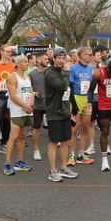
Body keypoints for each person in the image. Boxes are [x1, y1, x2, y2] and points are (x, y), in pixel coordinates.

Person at [44, 49, 78, 182]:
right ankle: (52, 171)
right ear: (54, 59)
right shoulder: (50, 73)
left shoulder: (62, 73)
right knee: (53, 142)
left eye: (64, 58)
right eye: (59, 58)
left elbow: (68, 92)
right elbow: (63, 86)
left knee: (65, 141)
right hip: (54, 112)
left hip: (64, 112)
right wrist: (67, 72)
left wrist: (71, 109)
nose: (62, 61)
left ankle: (63, 168)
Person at [3, 55, 35, 175]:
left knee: (22, 136)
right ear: (19, 64)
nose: (28, 64)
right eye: (25, 62)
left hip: (26, 110)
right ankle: (7, 163)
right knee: (13, 136)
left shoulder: (27, 76)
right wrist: (25, 106)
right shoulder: (12, 77)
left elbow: (31, 92)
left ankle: (20, 161)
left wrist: (30, 105)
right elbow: (13, 96)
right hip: (17, 111)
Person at [69, 46, 95, 166]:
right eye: (88, 54)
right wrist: (73, 103)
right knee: (74, 129)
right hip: (76, 98)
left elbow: (91, 87)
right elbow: (70, 86)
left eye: (91, 54)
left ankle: (81, 154)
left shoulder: (90, 69)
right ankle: (71, 155)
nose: (90, 56)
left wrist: (90, 100)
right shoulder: (73, 68)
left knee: (85, 127)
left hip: (86, 99)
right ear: (81, 56)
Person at [29, 51, 48, 161]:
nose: (47, 61)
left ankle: (53, 147)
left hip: (49, 104)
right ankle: (36, 150)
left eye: (47, 59)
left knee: (53, 127)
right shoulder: (32, 74)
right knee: (36, 128)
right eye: (45, 59)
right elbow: (28, 88)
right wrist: (34, 93)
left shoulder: (49, 72)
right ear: (38, 60)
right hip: (37, 105)